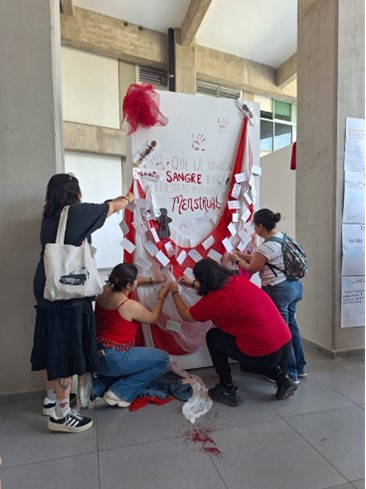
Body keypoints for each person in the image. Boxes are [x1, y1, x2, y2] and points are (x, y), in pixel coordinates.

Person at [31, 173, 134, 433]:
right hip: (66, 294)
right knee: (65, 351)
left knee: (49, 345)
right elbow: (111, 207)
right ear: (74, 193)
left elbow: (100, 208)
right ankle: (61, 416)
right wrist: (129, 197)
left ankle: (51, 399)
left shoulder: (50, 217)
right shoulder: (75, 213)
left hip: (46, 288)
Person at [168, 259, 298, 407]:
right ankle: (283, 379)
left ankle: (227, 388)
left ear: (203, 281)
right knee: (253, 345)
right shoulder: (235, 280)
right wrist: (193, 284)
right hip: (286, 345)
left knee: (213, 337)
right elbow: (215, 289)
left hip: (266, 353)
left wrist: (174, 291)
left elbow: (186, 315)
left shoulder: (213, 300)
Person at [228, 208, 307, 382]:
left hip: (278, 291)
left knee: (282, 334)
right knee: (292, 328)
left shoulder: (267, 246)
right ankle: (300, 367)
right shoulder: (282, 238)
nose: (254, 229)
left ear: (261, 226)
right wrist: (243, 255)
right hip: (294, 288)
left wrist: (235, 259)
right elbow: (261, 258)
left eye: (254, 226)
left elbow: (252, 268)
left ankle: (289, 375)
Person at [78, 263, 171, 409]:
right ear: (128, 285)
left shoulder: (104, 290)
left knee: (128, 367)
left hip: (97, 357)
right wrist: (161, 297)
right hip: (116, 358)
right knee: (163, 360)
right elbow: (153, 318)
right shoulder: (128, 305)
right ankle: (120, 393)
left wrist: (152, 279)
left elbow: (132, 282)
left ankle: (96, 386)